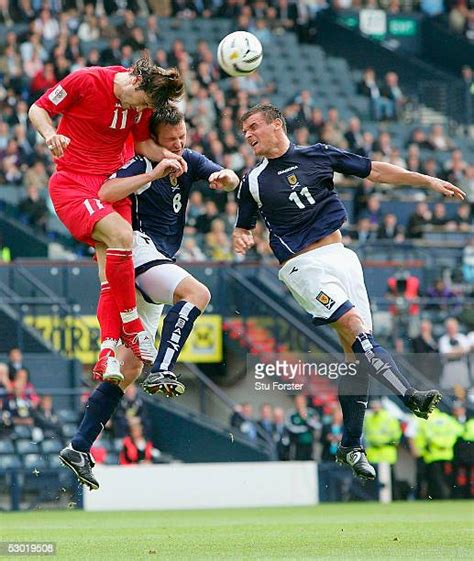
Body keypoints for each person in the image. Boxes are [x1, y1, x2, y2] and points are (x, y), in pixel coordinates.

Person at [233, 104, 465, 480]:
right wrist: (242, 237)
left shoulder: (319, 155)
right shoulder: (253, 182)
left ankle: (351, 445)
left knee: (356, 355)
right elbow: (243, 226)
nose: (247, 134)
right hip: (302, 267)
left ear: (277, 125)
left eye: (253, 126)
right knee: (355, 326)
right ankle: (409, 395)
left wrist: (426, 180)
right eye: (244, 129)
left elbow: (377, 171)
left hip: (341, 257)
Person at [59, 106, 238, 490]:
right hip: (136, 249)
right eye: (170, 139)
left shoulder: (188, 159)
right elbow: (104, 193)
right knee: (197, 293)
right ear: (153, 139)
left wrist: (225, 177)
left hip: (159, 260)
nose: (178, 144)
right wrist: (152, 174)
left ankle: (78, 445)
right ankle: (165, 367)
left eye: (182, 136)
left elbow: (223, 174)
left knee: (129, 368)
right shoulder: (137, 162)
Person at [28, 56, 186, 384]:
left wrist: (168, 157)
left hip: (111, 187)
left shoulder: (144, 104)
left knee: (110, 275)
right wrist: (49, 135)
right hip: (74, 183)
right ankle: (133, 327)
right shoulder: (86, 80)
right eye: (141, 102)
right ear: (135, 81)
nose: (139, 109)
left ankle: (107, 355)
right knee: (122, 237)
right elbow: (38, 109)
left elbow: (142, 142)